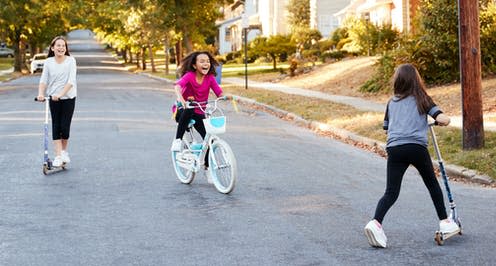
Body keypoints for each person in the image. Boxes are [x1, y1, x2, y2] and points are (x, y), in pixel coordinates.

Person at [364, 63, 459, 248]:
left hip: (395, 149)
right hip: (416, 147)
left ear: (397, 81)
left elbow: (386, 127)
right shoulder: (421, 98)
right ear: (416, 80)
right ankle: (445, 222)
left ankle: (375, 223)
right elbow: (441, 118)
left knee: (391, 192)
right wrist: (443, 121)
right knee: (432, 184)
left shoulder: (391, 103)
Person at [170, 51, 224, 158]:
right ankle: (178, 140)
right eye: (202, 61)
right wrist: (182, 101)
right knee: (190, 106)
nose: (206, 63)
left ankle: (207, 166)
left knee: (209, 139)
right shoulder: (190, 76)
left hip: (199, 112)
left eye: (208, 61)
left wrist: (226, 96)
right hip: (183, 110)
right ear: (194, 65)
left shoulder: (210, 78)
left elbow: (219, 93)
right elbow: (177, 86)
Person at [36, 36, 77, 167]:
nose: (61, 48)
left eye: (63, 46)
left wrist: (60, 94)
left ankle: (64, 152)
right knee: (56, 126)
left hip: (68, 98)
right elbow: (43, 80)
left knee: (65, 128)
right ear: (53, 48)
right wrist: (41, 93)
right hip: (53, 98)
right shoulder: (48, 62)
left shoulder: (71, 61)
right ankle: (58, 156)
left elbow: (71, 82)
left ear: (66, 48)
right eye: (58, 46)